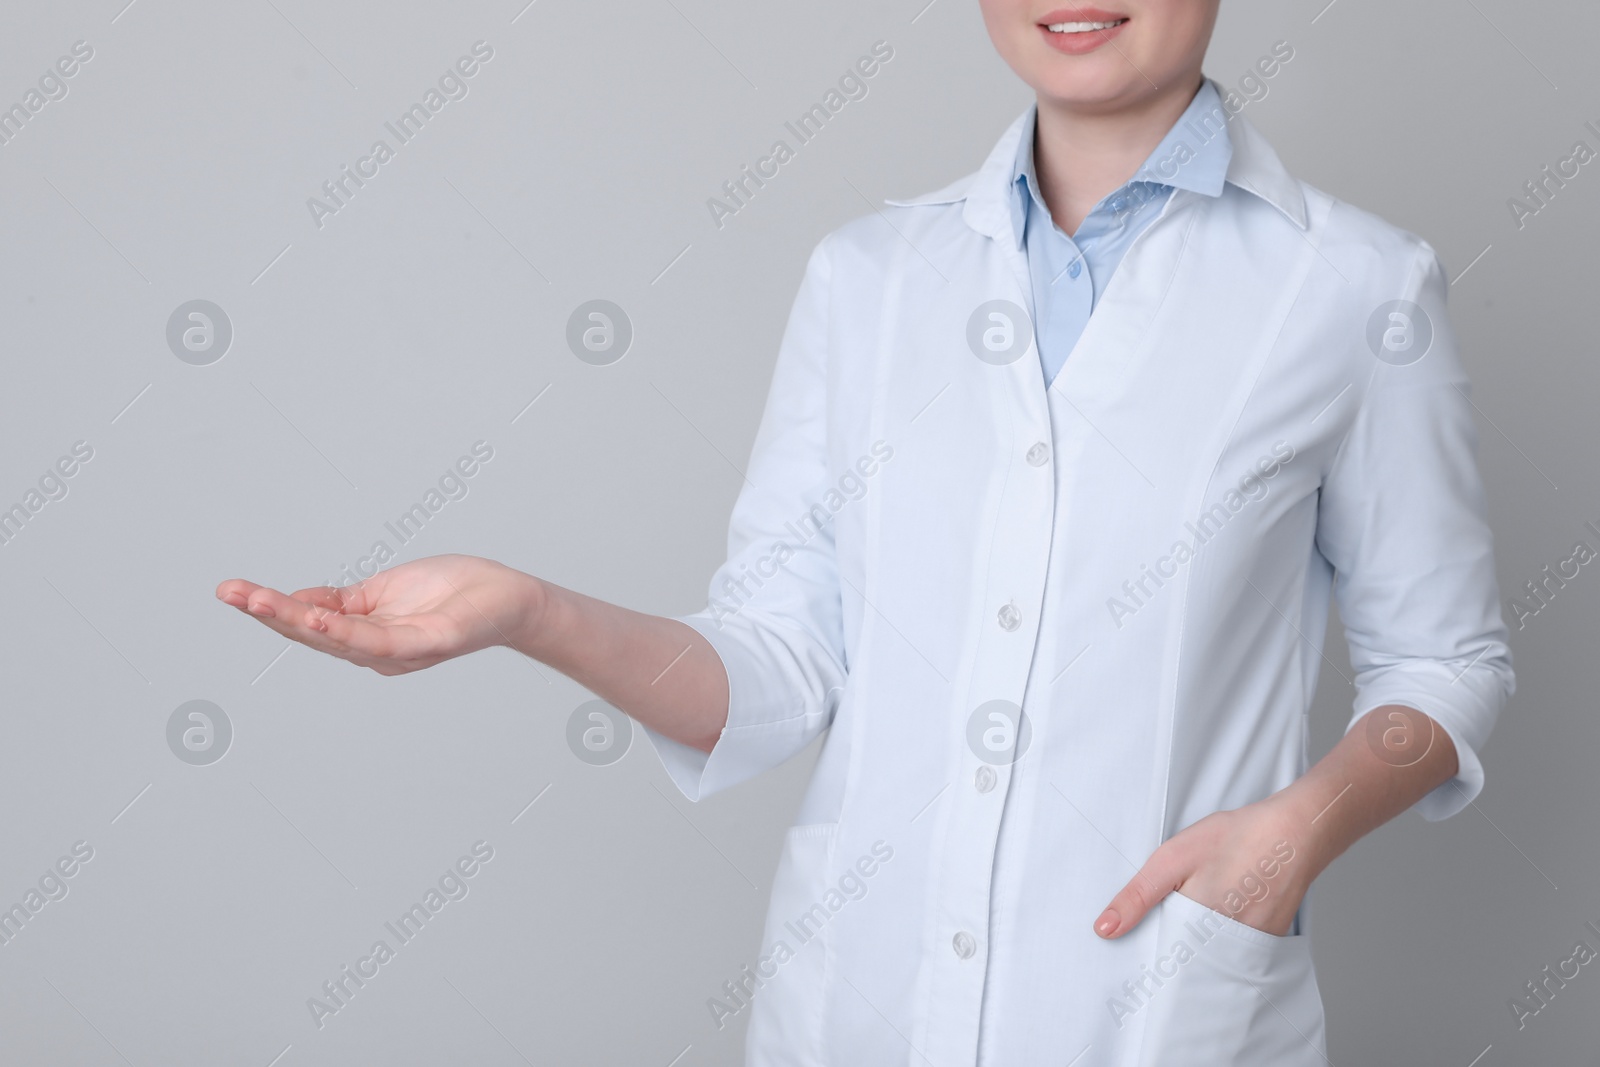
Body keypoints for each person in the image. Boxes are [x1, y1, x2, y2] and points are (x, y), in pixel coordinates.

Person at [217, 2, 1515, 1063]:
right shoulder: (872, 279)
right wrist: (527, 613)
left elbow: (1446, 665)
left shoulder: (1353, 288)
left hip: (1164, 1020)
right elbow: (780, 670)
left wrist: (1293, 837)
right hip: (859, 1014)